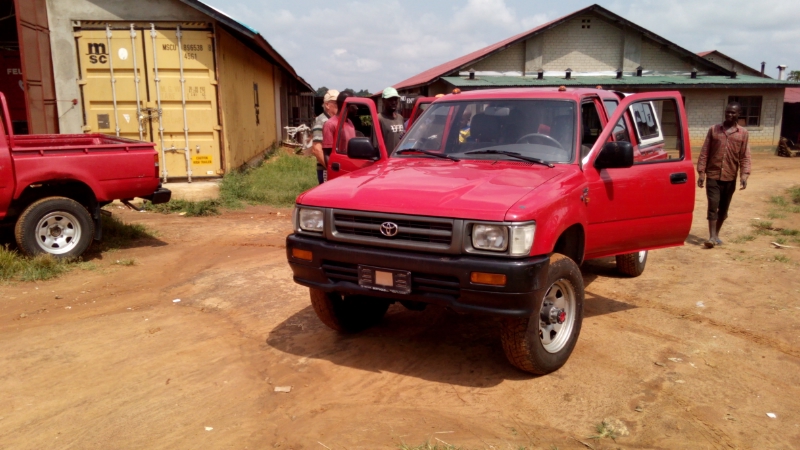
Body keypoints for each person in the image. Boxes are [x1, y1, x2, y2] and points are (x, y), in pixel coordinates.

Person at [697, 102, 751, 248]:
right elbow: (705, 152)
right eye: (727, 112)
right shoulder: (714, 130)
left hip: (730, 176)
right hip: (713, 175)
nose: (729, 114)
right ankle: (711, 237)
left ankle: (716, 235)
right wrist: (701, 172)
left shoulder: (743, 133)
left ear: (739, 114)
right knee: (713, 205)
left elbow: (745, 156)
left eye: (733, 112)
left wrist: (744, 175)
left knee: (723, 209)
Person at [310, 89, 339, 184]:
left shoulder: (334, 120)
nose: (340, 105)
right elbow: (316, 149)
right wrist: (331, 169)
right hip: (326, 169)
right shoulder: (321, 121)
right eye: (336, 103)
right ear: (327, 105)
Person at [322, 91, 356, 157]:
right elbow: (327, 154)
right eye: (353, 105)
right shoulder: (330, 124)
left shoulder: (350, 122)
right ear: (345, 105)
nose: (356, 108)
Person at [378, 87, 405, 152]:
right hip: (387, 157)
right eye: (390, 100)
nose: (393, 102)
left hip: (399, 156)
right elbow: (376, 145)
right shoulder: (379, 118)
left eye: (395, 99)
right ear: (383, 101)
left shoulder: (400, 118)